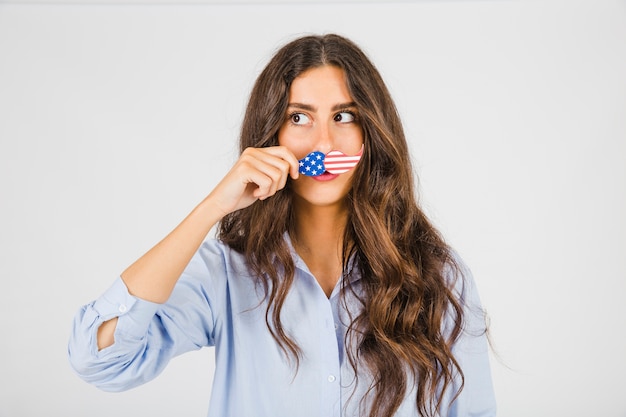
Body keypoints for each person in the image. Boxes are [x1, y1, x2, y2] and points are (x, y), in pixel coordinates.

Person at [68, 33, 496, 417]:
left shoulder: (440, 276)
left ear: (372, 134)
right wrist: (212, 207)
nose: (323, 143)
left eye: (344, 116)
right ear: (271, 132)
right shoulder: (225, 274)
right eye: (299, 118)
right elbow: (100, 359)